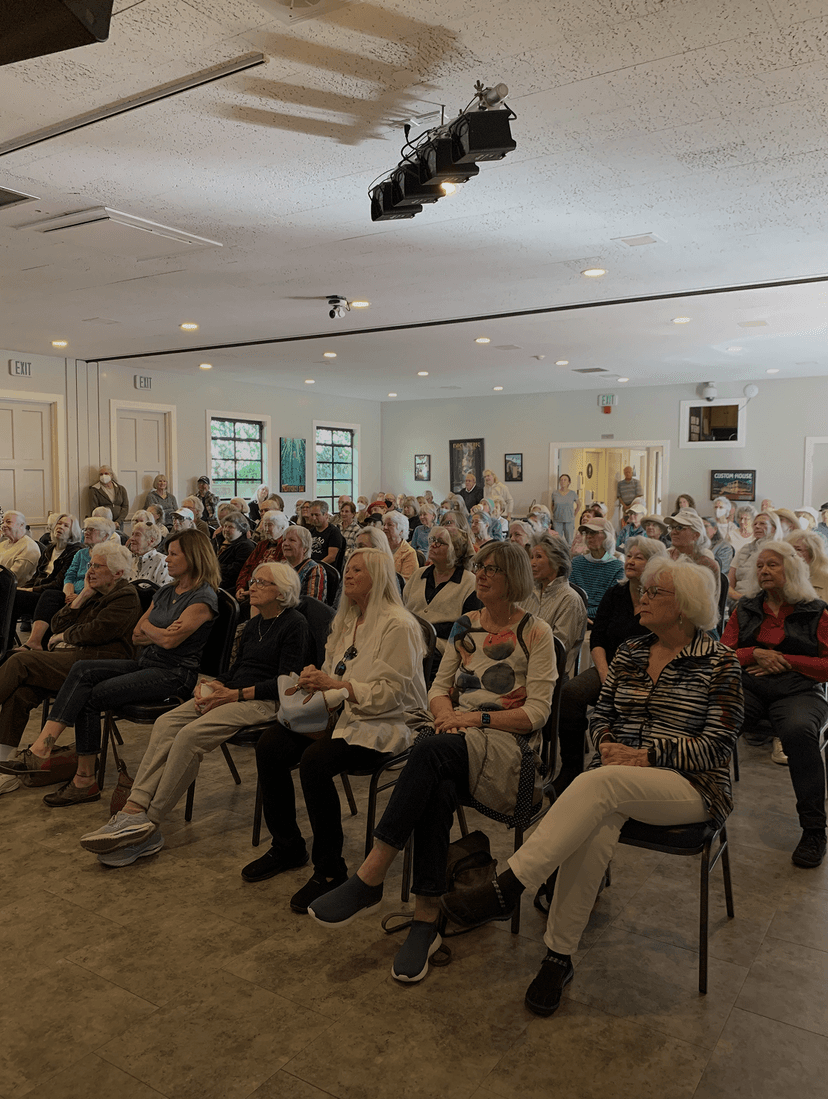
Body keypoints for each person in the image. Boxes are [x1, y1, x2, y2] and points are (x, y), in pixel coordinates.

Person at [439, 556, 742, 1018]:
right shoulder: (632, 652)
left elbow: (720, 743)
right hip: (620, 781)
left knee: (599, 786)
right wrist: (608, 744)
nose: (640, 596)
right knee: (597, 817)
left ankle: (511, 884)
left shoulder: (718, 663)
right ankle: (557, 957)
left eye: (653, 592)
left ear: (684, 606)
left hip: (692, 787)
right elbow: (601, 715)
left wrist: (648, 756)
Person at [307, 541, 556, 985]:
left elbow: (535, 713)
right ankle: (425, 920)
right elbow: (437, 688)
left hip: (507, 748)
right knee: (434, 780)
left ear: (514, 577)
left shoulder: (536, 633)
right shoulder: (466, 625)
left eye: (493, 569)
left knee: (427, 754)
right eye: (479, 566)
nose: (481, 575)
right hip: (454, 740)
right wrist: (446, 716)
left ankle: (372, 875)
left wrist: (471, 718)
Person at [75, 563, 310, 865]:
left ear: (282, 591)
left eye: (261, 582)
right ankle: (133, 809)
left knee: (189, 737)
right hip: (232, 692)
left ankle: (149, 826)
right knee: (166, 722)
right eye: (252, 580)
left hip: (262, 701)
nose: (252, 586)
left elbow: (285, 684)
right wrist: (216, 684)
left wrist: (233, 694)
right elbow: (238, 668)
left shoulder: (295, 624)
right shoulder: (254, 624)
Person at [243, 547, 428, 916]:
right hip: (340, 715)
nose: (349, 575)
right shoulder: (348, 620)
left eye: (358, 569)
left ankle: (329, 870)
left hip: (385, 723)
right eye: (349, 568)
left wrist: (335, 685)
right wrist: (315, 681)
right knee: (270, 745)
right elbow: (334, 671)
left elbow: (395, 695)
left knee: (315, 760)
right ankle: (287, 846)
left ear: (378, 577)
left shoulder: (399, 624)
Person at [5, 529, 220, 805]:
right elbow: (137, 634)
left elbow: (167, 640)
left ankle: (82, 778)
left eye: (174, 554)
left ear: (194, 557)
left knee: (90, 694)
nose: (167, 559)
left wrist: (155, 631)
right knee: (83, 670)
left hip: (175, 674)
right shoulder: (167, 591)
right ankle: (45, 749)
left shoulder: (204, 597)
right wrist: (160, 631)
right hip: (146, 663)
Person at [722, 541, 828, 868]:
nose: (764, 570)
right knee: (719, 719)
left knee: (798, 733)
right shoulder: (747, 607)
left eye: (773, 565)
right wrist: (753, 653)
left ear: (791, 569)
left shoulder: (816, 610)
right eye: (760, 565)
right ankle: (699, 806)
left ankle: (814, 830)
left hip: (799, 690)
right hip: (751, 686)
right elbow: (722, 655)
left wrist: (787, 660)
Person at [0, 542, 142, 766]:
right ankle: (3, 762)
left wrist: (65, 637)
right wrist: (83, 595)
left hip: (99, 663)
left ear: (118, 573)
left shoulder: (125, 596)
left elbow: (95, 632)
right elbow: (57, 624)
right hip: (76, 656)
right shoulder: (95, 591)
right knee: (21, 693)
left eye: (97, 566)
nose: (90, 571)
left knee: (21, 660)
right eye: (90, 564)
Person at [553, 535, 668, 795]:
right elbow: (598, 640)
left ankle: (625, 767)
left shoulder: (662, 597)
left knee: (633, 704)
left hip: (651, 672)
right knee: (570, 694)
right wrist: (606, 675)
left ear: (655, 564)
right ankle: (571, 769)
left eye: (640, 557)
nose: (631, 560)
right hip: (611, 667)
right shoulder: (616, 593)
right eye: (629, 555)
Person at [20, 516, 116, 652]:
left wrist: (79, 596)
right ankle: (34, 642)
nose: (86, 532)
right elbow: (69, 576)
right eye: (85, 529)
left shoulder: (110, 555)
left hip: (91, 596)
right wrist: (69, 594)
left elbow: (102, 582)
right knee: (50, 596)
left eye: (91, 530)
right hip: (71, 595)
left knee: (49, 598)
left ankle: (41, 646)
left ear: (105, 535)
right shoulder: (81, 553)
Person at [403, 527, 480, 661]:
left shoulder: (469, 583)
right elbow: (402, 608)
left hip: (443, 647)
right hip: (409, 637)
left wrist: (425, 630)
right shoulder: (419, 574)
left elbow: (468, 628)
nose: (433, 545)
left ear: (455, 550)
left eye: (440, 542)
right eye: (433, 540)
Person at [523, 535, 588, 679]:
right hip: (521, 668)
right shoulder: (529, 593)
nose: (532, 563)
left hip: (548, 678)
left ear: (557, 562)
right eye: (531, 557)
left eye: (538, 557)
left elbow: (556, 651)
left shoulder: (570, 600)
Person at [9, 514, 81, 640]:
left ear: (72, 531)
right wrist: (22, 588)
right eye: (59, 524)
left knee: (14, 597)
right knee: (10, 595)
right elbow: (36, 576)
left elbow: (59, 583)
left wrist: (29, 590)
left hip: (53, 594)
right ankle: (5, 642)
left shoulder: (74, 551)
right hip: (39, 591)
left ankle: (8, 643)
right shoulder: (49, 549)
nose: (60, 527)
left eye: (66, 525)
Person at [569, 517, 624, 621]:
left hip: (602, 619)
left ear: (608, 536)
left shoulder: (618, 567)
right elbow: (570, 597)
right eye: (587, 533)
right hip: (575, 617)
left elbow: (611, 604)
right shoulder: (576, 563)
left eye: (593, 532)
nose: (588, 536)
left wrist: (584, 614)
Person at [728, 510, 783, 604]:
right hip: (738, 602)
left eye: (762, 523)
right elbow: (729, 582)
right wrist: (737, 596)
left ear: (774, 528)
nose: (757, 526)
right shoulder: (744, 550)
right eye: (755, 524)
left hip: (764, 603)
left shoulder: (780, 551)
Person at [236, 510, 289, 604]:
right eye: (265, 525)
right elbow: (247, 567)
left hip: (270, 593)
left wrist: (253, 590)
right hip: (252, 588)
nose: (266, 529)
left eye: (270, 525)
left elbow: (278, 578)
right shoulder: (262, 545)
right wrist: (241, 587)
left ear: (282, 527)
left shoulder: (286, 546)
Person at [665, 510, 720, 582]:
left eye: (679, 528)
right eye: (672, 527)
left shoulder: (707, 565)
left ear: (696, 535)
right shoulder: (664, 556)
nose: (673, 532)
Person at [281, 524, 327, 601]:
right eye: (284, 540)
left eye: (292, 540)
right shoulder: (281, 566)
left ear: (304, 548)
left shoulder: (314, 569)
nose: (285, 543)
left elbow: (311, 604)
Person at [216, 511, 255, 592]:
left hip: (229, 586)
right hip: (216, 579)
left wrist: (215, 567)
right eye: (225, 526)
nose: (226, 529)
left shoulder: (245, 546)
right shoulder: (218, 541)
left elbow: (237, 570)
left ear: (241, 529)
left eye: (230, 527)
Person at [0, 511, 41, 585]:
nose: (3, 525)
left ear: (21, 525)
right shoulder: (3, 544)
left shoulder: (29, 547)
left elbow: (11, 578)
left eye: (8, 522)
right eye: (3, 522)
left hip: (14, 591)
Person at [786, 529, 828, 598]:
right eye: (790, 549)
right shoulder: (783, 578)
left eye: (798, 550)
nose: (792, 553)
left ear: (812, 554)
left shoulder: (825, 579)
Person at [127, 521, 170, 585]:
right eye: (132, 534)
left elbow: (163, 593)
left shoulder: (163, 562)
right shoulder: (129, 561)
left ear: (151, 541)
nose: (132, 539)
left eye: (137, 535)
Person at [88, 464, 129, 529]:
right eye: (101, 474)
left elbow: (125, 507)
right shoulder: (94, 489)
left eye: (106, 473)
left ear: (111, 475)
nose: (103, 476)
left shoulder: (121, 489)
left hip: (118, 525)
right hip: (103, 525)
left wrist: (118, 521)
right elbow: (94, 509)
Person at [383, 510, 418, 580]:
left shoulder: (409, 553)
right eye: (384, 524)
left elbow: (406, 582)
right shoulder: (380, 548)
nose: (385, 528)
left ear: (401, 531)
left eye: (389, 525)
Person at [309, 500, 345, 568]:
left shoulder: (334, 532)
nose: (314, 518)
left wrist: (315, 567)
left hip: (326, 569)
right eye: (312, 515)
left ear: (325, 515)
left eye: (317, 515)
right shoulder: (310, 532)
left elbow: (331, 557)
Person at [550, 474, 579, 544]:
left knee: (570, 542)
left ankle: (570, 555)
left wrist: (574, 515)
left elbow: (579, 505)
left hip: (569, 521)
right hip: (557, 521)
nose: (562, 481)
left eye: (565, 480)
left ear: (569, 482)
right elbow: (552, 505)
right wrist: (555, 513)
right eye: (561, 480)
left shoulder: (573, 493)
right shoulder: (555, 493)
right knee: (557, 542)